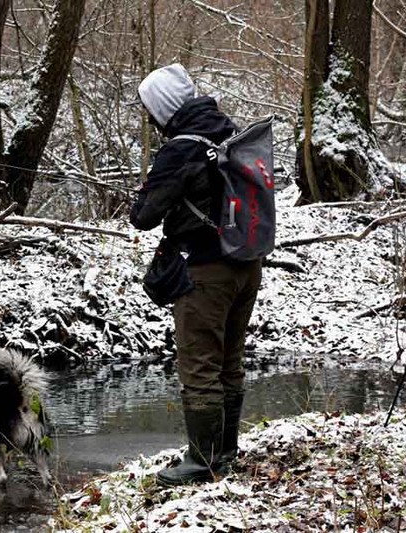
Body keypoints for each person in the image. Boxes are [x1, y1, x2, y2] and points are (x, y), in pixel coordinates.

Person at [130, 64, 262, 486]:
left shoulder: (181, 149)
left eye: (150, 109)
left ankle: (202, 461)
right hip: (246, 263)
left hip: (205, 272)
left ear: (163, 108)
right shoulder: (231, 132)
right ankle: (224, 452)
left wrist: (150, 187)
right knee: (229, 362)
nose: (149, 118)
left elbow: (143, 217)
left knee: (200, 368)